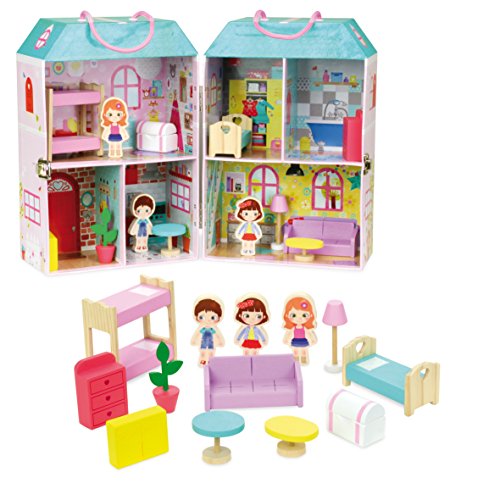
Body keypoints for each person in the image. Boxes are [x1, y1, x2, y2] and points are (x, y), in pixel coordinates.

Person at [282, 294, 318, 364]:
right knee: (295, 352)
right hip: (295, 341)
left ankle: (304, 361)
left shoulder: (305, 328)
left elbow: (310, 334)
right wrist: (286, 339)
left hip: (303, 341)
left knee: (304, 352)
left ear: (311, 315)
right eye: (294, 315)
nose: (299, 318)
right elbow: (288, 333)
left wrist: (313, 339)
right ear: (287, 315)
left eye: (304, 315)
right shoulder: (293, 328)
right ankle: (296, 362)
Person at [191, 297, 225, 366]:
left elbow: (218, 335)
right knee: (203, 353)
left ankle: (211, 364)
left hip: (211, 343)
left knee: (211, 353)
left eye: (212, 317)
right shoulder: (201, 329)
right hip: (203, 342)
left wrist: (221, 342)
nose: (208, 320)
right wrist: (193, 341)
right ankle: (203, 363)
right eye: (202, 317)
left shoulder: (213, 329)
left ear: (219, 318)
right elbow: (196, 334)